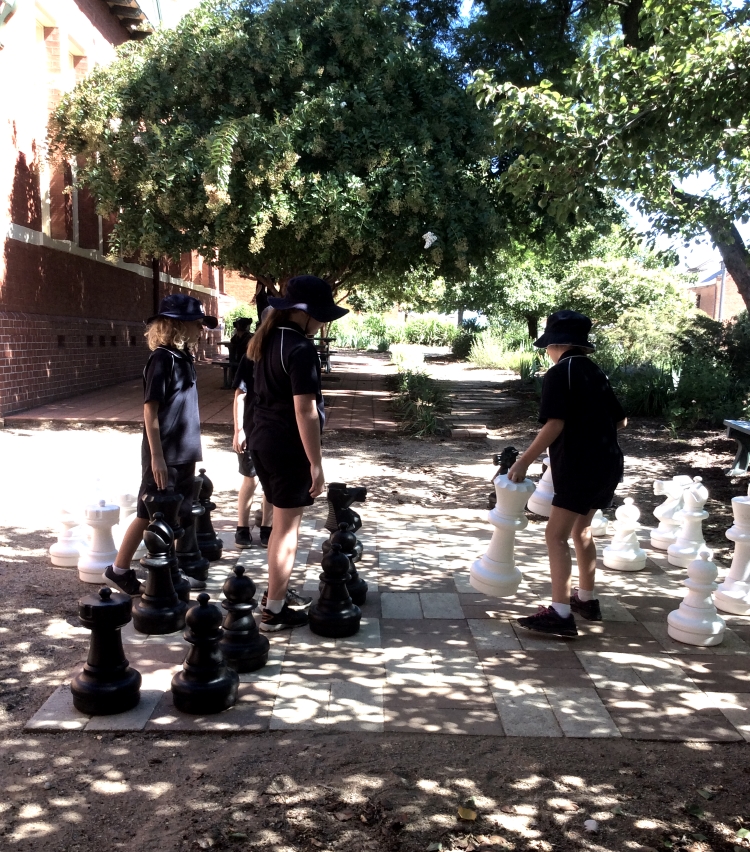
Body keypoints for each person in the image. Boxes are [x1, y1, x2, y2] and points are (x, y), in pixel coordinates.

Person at [507, 310, 627, 638]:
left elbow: (554, 424)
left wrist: (523, 462)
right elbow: (620, 421)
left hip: (580, 466)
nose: (546, 350)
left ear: (557, 343)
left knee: (555, 535)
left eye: (547, 345)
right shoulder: (595, 371)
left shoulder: (560, 373)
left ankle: (560, 613)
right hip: (608, 464)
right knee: (581, 531)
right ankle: (586, 600)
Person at [247, 275, 348, 631]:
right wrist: (316, 464)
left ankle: (276, 592)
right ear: (305, 314)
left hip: (263, 441)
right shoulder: (301, 349)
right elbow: (304, 411)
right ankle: (274, 611)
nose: (323, 322)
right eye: (321, 315)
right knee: (288, 529)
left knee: (278, 524)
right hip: (288, 448)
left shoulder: (267, 339)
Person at [104, 294, 217, 595]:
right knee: (147, 512)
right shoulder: (162, 359)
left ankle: (171, 572)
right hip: (164, 453)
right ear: (177, 325)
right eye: (196, 324)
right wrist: (157, 457)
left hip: (184, 452)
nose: (201, 330)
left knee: (176, 516)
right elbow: (149, 409)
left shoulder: (184, 357)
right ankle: (119, 569)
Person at [232, 347, 274, 548]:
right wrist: (239, 430)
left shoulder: (281, 353)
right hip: (251, 427)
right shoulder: (250, 356)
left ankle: (267, 527)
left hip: (274, 429)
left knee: (271, 481)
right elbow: (240, 394)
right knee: (251, 478)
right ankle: (242, 528)